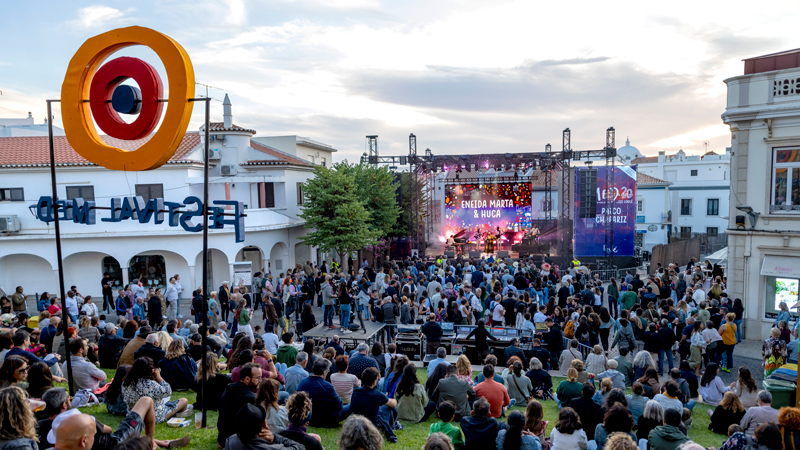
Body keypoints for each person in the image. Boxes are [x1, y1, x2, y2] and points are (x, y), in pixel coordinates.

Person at [123, 356, 188, 423]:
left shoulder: (125, 383)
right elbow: (168, 391)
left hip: (132, 416)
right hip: (154, 416)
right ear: (150, 369)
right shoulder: (150, 384)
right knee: (184, 401)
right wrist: (159, 377)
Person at [350, 366, 400, 443]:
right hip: (372, 428)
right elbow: (393, 404)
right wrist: (393, 399)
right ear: (374, 382)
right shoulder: (377, 395)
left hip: (356, 426)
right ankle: (393, 425)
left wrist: (383, 398)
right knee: (390, 408)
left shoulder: (356, 392)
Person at [217, 362, 262, 447]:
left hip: (222, 439)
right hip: (237, 443)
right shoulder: (251, 398)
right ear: (247, 379)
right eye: (258, 377)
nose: (261, 380)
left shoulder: (229, 388)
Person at [223, 403, 303, 450]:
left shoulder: (229, 441)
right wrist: (275, 438)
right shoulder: (275, 448)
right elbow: (300, 447)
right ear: (265, 425)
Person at [297, 358, 350, 428]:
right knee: (352, 405)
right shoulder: (327, 386)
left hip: (307, 417)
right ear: (324, 372)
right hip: (325, 420)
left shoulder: (303, 382)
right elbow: (339, 404)